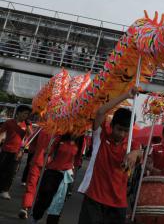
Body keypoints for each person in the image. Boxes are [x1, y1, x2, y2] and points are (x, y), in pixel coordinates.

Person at [77, 87, 143, 224]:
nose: (122, 134)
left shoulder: (133, 145)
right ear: (111, 125)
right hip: (94, 200)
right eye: (119, 129)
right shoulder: (101, 136)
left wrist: (135, 153)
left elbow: (140, 154)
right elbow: (101, 111)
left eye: (126, 131)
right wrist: (126, 95)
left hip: (118, 205)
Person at [30, 133, 81, 224]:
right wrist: (47, 151)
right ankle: (36, 216)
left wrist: (73, 176)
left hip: (65, 176)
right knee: (45, 197)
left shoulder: (79, 144)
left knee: (58, 202)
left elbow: (77, 161)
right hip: (52, 172)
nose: (76, 132)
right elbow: (48, 152)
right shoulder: (59, 139)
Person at [19, 129, 53, 219]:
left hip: (47, 165)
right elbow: (30, 141)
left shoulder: (60, 131)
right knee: (32, 185)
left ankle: (28, 208)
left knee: (38, 187)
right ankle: (26, 207)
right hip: (42, 163)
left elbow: (30, 143)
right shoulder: (42, 128)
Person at [0, 104, 32, 199]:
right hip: (6, 150)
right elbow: (1, 133)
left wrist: (28, 124)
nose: (26, 116)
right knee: (2, 169)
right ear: (18, 113)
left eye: (27, 114)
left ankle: (5, 190)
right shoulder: (9, 122)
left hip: (17, 152)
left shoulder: (26, 125)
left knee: (11, 172)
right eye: (25, 113)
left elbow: (30, 136)